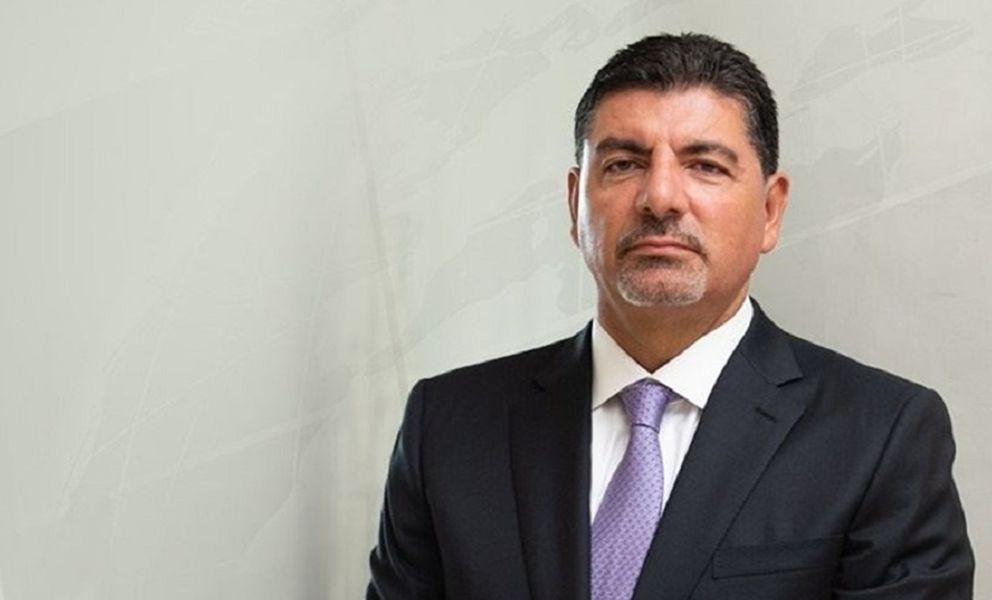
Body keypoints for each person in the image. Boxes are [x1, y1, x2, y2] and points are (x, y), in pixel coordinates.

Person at [366, 33, 974, 600]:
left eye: (705, 165)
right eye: (624, 163)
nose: (660, 197)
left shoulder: (881, 437)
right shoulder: (446, 429)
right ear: (575, 205)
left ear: (770, 210)